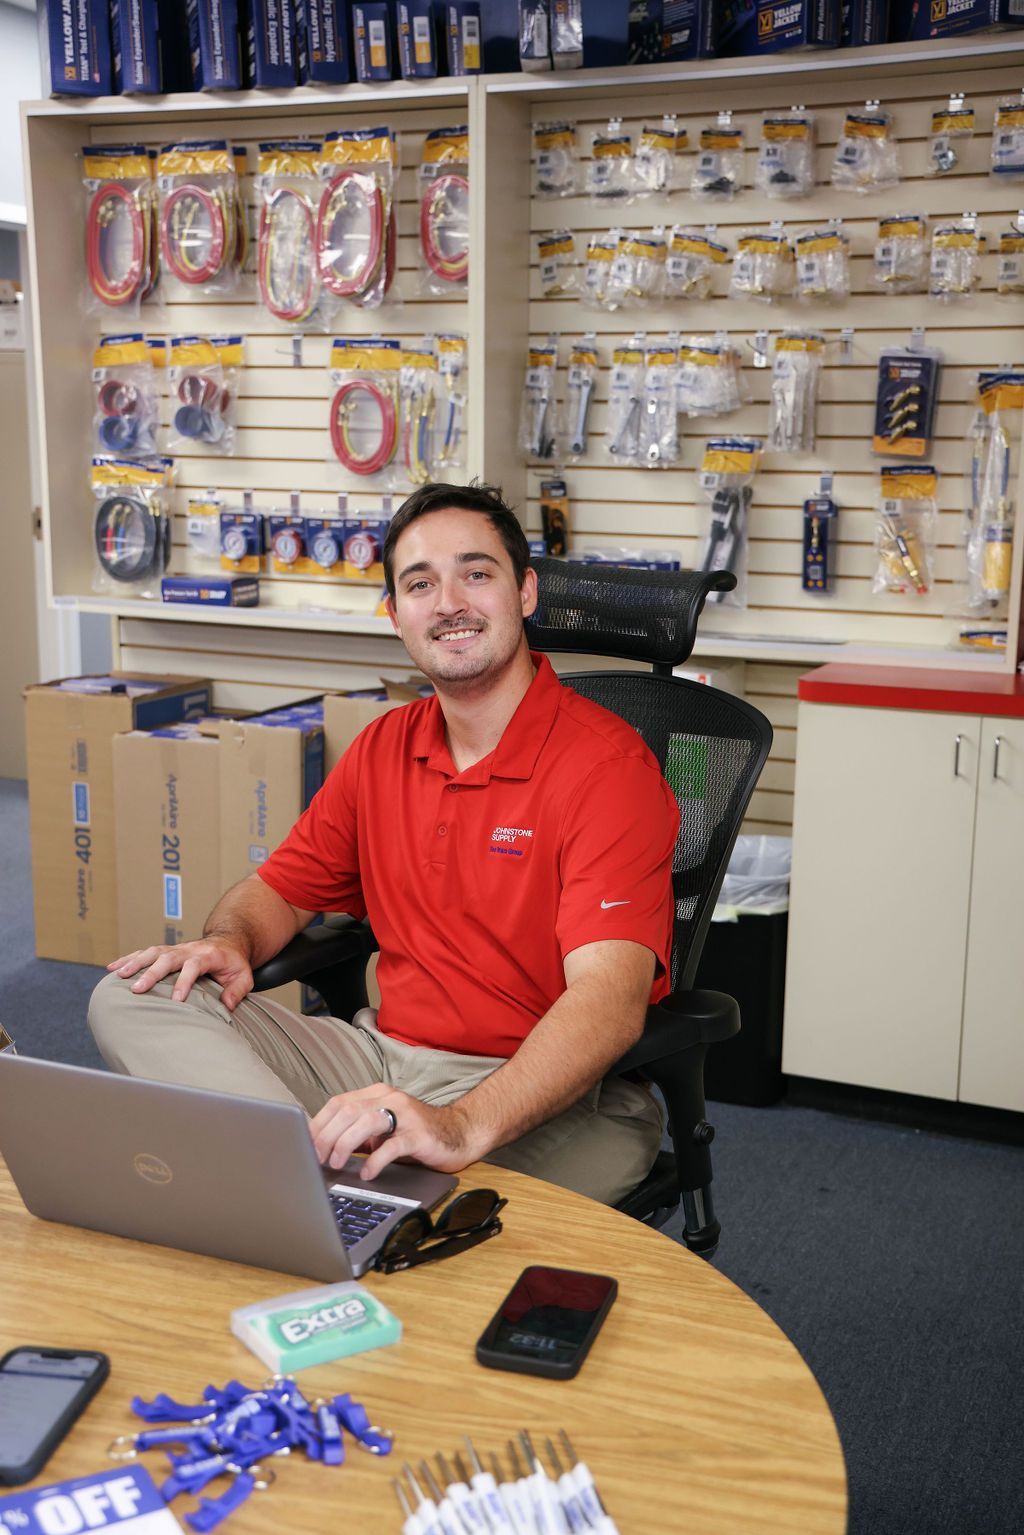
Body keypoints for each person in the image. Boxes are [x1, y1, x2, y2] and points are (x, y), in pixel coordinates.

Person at [89, 483, 680, 1205]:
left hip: (544, 1091)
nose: (450, 602)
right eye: (420, 584)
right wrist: (231, 941)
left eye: (477, 573)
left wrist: (459, 1126)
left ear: (524, 592)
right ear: (396, 615)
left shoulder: (607, 768)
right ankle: (313, 1181)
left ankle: (317, 1186)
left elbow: (610, 1001)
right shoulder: (383, 749)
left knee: (438, 1221)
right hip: (378, 1058)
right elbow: (277, 888)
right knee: (134, 993)